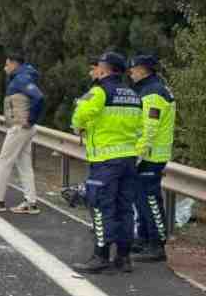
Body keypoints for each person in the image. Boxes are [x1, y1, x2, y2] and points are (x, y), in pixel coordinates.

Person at [70, 52, 143, 274]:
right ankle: (124, 257)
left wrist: (78, 125)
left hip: (105, 160)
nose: (97, 71)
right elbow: (140, 126)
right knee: (125, 209)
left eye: (99, 67)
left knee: (101, 207)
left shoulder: (100, 90)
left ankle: (100, 256)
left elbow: (82, 112)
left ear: (105, 69)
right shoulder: (132, 94)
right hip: (129, 159)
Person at [0, 54, 44, 214]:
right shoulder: (23, 77)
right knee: (24, 164)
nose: (5, 68)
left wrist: (30, 120)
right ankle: (30, 202)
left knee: (3, 161)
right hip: (24, 128)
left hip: (19, 127)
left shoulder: (21, 79)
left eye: (6, 64)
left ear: (13, 64)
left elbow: (39, 97)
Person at [130, 54, 176, 263]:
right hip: (149, 154)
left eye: (133, 68)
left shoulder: (153, 92)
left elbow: (149, 128)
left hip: (151, 155)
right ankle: (144, 239)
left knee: (150, 200)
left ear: (142, 70)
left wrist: (137, 155)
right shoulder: (152, 88)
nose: (130, 72)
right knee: (141, 200)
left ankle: (157, 246)